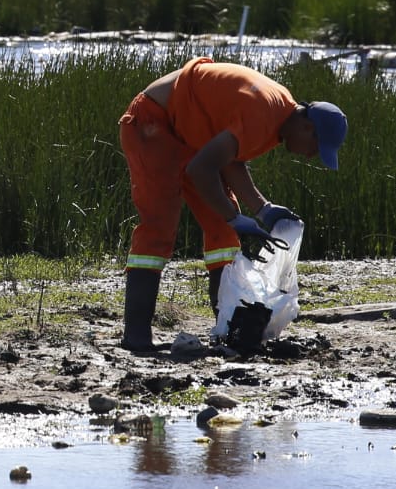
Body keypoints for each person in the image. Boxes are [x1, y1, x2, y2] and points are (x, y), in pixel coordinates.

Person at [117, 57, 346, 353]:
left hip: (188, 135)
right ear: (306, 126)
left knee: (222, 235)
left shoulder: (278, 116)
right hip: (153, 123)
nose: (311, 156)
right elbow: (202, 169)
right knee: (158, 228)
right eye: (316, 147)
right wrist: (233, 216)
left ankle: (226, 328)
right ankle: (136, 337)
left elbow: (229, 160)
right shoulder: (264, 114)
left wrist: (262, 209)